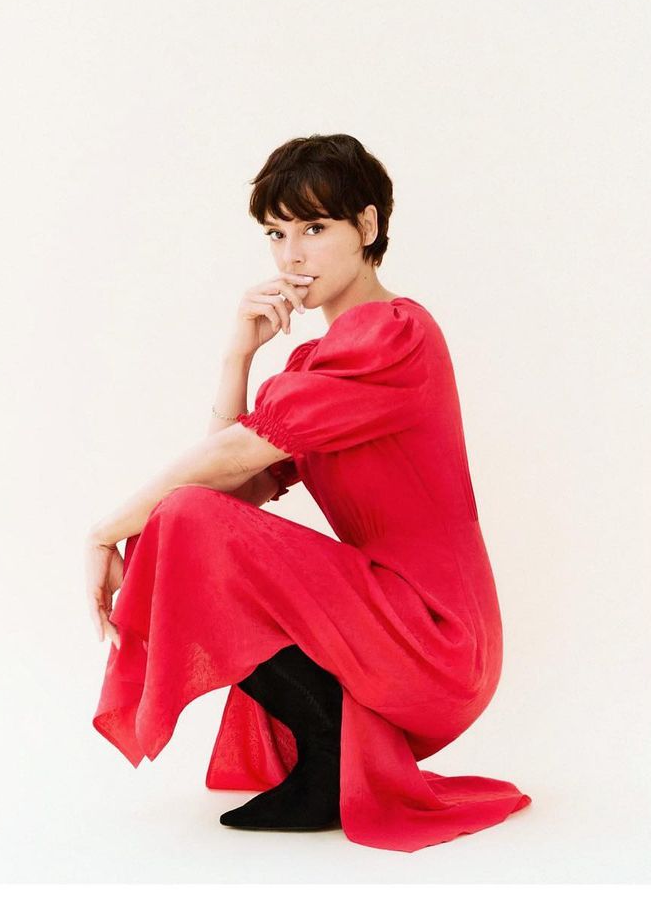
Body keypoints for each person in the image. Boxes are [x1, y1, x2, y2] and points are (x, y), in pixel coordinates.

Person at [85, 133, 531, 852]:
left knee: (183, 515)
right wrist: (238, 354)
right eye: (276, 233)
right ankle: (329, 749)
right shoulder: (314, 364)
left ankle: (330, 753)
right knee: (187, 519)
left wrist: (104, 531)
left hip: (438, 637)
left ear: (368, 225)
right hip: (385, 621)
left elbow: (221, 470)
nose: (291, 256)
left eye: (314, 228)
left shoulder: (395, 335)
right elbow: (234, 490)